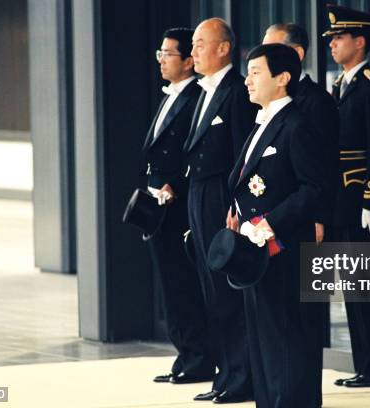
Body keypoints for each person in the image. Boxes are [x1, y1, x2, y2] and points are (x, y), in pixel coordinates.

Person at [226, 42, 325, 408]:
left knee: (287, 337)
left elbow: (313, 189)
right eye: (248, 72)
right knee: (262, 337)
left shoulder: (296, 125)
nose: (248, 81)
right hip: (255, 250)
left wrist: (270, 221)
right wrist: (236, 212)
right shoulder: (262, 121)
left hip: (284, 249)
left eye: (256, 73)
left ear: (282, 78)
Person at [180, 17, 257, 404]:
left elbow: (243, 156)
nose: (192, 51)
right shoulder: (202, 91)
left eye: (199, 43)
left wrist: (237, 208)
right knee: (210, 290)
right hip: (198, 193)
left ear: (223, 48)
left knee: (228, 291)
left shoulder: (237, 91)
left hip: (221, 199)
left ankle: (242, 377)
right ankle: (225, 374)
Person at [324, 5, 370, 387]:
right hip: (342, 203)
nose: (333, 44)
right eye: (332, 39)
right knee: (353, 288)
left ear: (360, 41)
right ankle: (365, 365)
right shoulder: (341, 85)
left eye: (339, 38)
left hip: (364, 202)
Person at [262, 23, 338, 403]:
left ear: (294, 57)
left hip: (305, 223)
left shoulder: (313, 101)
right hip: (278, 222)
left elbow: (321, 169)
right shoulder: (269, 106)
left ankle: (302, 395)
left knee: (302, 318)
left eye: (270, 52)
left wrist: (320, 218)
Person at [141, 27, 214, 385]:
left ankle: (199, 357)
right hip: (159, 205)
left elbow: (198, 155)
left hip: (181, 205)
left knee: (185, 284)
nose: (161, 59)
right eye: (161, 52)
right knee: (169, 285)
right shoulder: (170, 95)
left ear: (188, 61)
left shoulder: (198, 97)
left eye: (168, 53)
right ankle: (184, 354)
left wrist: (177, 187)